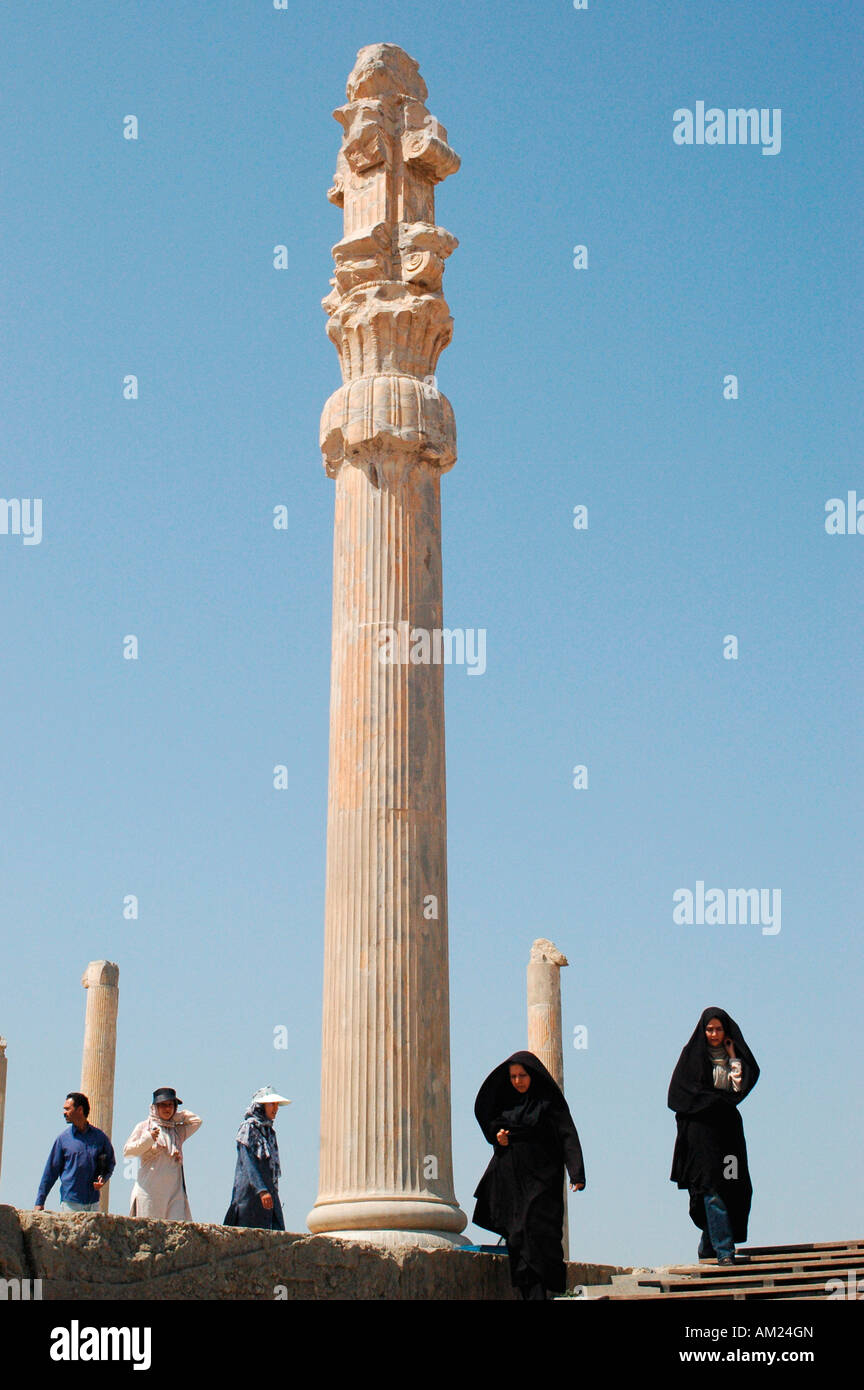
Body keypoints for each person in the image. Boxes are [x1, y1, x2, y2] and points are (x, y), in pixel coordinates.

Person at [472, 1051, 585, 1300]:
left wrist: (576, 1173)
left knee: (540, 1234)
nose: (517, 1081)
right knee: (518, 1237)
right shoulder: (507, 1103)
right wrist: (497, 1136)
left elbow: (567, 1135)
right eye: (513, 1076)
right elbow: (494, 1126)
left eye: (522, 1075)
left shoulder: (548, 1103)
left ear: (532, 1075)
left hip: (543, 1183)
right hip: (512, 1184)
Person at [668, 1007, 759, 1265]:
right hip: (701, 1135)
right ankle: (724, 1251)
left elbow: (737, 1087)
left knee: (731, 1185)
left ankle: (708, 1246)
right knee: (711, 1187)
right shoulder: (692, 1057)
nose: (714, 1034)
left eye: (719, 1029)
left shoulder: (731, 1056)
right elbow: (680, 1095)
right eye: (710, 1029)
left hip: (727, 1133)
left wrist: (732, 1054)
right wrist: (712, 1101)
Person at [123, 1086, 202, 1220]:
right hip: (149, 1191)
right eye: (163, 1105)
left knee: (177, 1230)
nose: (167, 1109)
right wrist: (148, 1139)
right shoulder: (144, 1126)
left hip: (173, 1192)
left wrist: (178, 1116)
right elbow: (128, 1152)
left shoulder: (177, 1131)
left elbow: (196, 1121)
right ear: (155, 1107)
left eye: (170, 1105)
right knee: (148, 1232)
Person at [34, 1092, 116, 1213]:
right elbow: (50, 1171)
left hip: (93, 1203)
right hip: (70, 1203)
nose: (64, 1112)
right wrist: (40, 1202)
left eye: (67, 1109)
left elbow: (110, 1162)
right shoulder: (63, 1139)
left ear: (80, 1110)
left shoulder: (100, 1137)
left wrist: (103, 1178)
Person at [223, 1086, 290, 1230]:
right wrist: (261, 1189)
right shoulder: (247, 1128)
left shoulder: (270, 1132)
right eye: (272, 1104)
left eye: (277, 1104)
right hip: (249, 1195)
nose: (276, 1108)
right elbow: (248, 1162)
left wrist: (269, 1190)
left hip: (269, 1192)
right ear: (261, 1106)